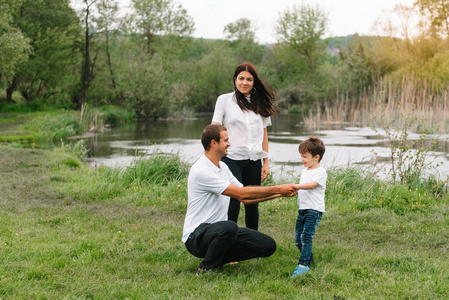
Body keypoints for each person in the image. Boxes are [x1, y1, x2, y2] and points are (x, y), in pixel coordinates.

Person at [182, 124, 298, 276]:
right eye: (226, 140)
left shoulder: (223, 167)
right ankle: (206, 267)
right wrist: (278, 188)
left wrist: (281, 194)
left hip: (218, 232)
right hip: (196, 237)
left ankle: (217, 259)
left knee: (267, 245)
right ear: (213, 143)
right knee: (229, 227)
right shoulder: (202, 171)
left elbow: (246, 197)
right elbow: (241, 194)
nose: (229, 144)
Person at [211, 62, 277, 231]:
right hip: (231, 159)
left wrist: (266, 162)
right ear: (235, 80)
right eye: (241, 78)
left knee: (252, 204)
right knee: (233, 204)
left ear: (254, 82)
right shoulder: (224, 100)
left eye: (249, 79)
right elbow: (215, 128)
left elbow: (264, 134)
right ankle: (229, 244)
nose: (244, 83)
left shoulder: (260, 102)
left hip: (254, 161)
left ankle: (253, 243)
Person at [291, 136, 327, 278]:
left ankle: (303, 265)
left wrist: (298, 186)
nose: (302, 159)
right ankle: (311, 262)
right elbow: (304, 187)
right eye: (301, 156)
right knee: (298, 240)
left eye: (305, 156)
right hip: (303, 209)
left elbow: (312, 185)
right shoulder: (306, 170)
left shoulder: (320, 172)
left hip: (314, 210)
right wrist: (296, 190)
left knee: (306, 237)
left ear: (316, 157)